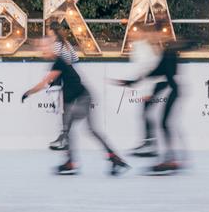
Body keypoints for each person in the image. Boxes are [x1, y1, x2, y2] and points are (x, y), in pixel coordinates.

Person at [22, 38, 129, 176]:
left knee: (77, 129)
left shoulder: (58, 62)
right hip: (77, 98)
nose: (43, 50)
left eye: (45, 47)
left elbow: (45, 83)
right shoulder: (57, 63)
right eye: (41, 47)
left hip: (81, 98)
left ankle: (75, 162)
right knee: (76, 130)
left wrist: (28, 93)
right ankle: (109, 158)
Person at [117, 23, 193, 174]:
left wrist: (184, 42)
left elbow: (189, 45)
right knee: (165, 123)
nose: (153, 37)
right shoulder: (168, 50)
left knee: (164, 123)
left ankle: (171, 159)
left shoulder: (171, 48)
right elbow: (157, 71)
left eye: (155, 34)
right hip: (172, 90)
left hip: (173, 90)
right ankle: (172, 158)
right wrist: (132, 82)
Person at [124, 26, 162, 157]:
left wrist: (146, 90)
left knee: (146, 114)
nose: (132, 34)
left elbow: (148, 68)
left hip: (153, 85)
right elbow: (141, 68)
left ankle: (150, 144)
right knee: (145, 114)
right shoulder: (138, 46)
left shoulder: (145, 47)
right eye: (130, 32)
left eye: (136, 31)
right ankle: (148, 143)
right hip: (147, 85)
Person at [46, 21, 79, 151]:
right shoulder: (66, 43)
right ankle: (64, 137)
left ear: (52, 31)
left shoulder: (56, 45)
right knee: (67, 109)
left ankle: (64, 139)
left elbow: (54, 61)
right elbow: (76, 58)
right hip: (71, 76)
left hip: (66, 78)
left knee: (66, 110)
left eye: (49, 30)